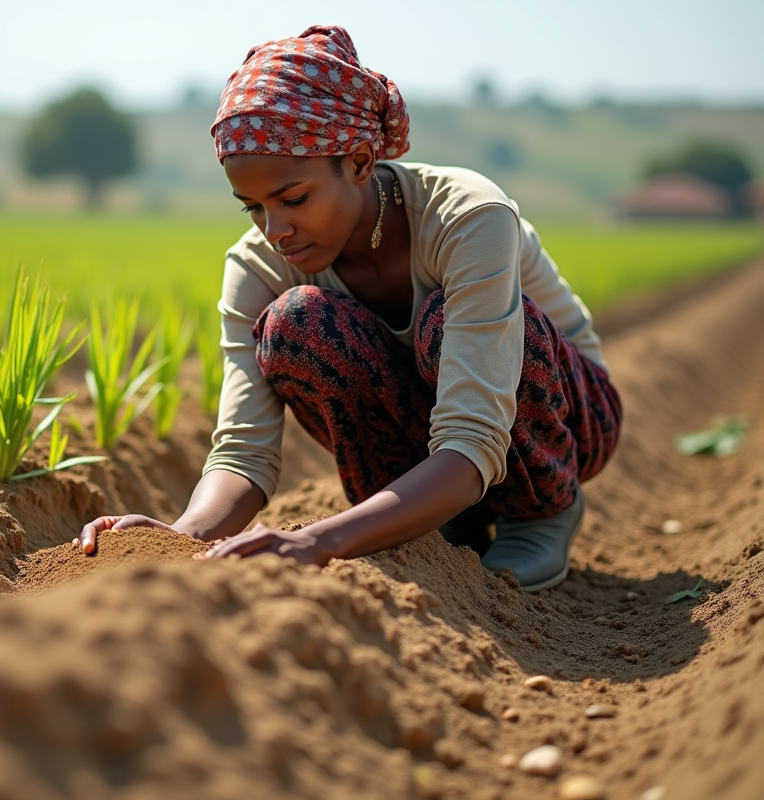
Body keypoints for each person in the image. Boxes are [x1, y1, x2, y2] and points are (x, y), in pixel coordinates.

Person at [75, 25, 622, 592]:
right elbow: (243, 448)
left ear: (360, 162)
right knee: (295, 324)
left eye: (293, 199)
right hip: (432, 441)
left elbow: (471, 434)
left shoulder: (467, 217)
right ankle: (440, 521)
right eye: (253, 209)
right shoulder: (256, 267)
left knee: (441, 323)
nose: (276, 230)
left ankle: (541, 511)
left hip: (561, 419)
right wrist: (181, 538)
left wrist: (319, 540)